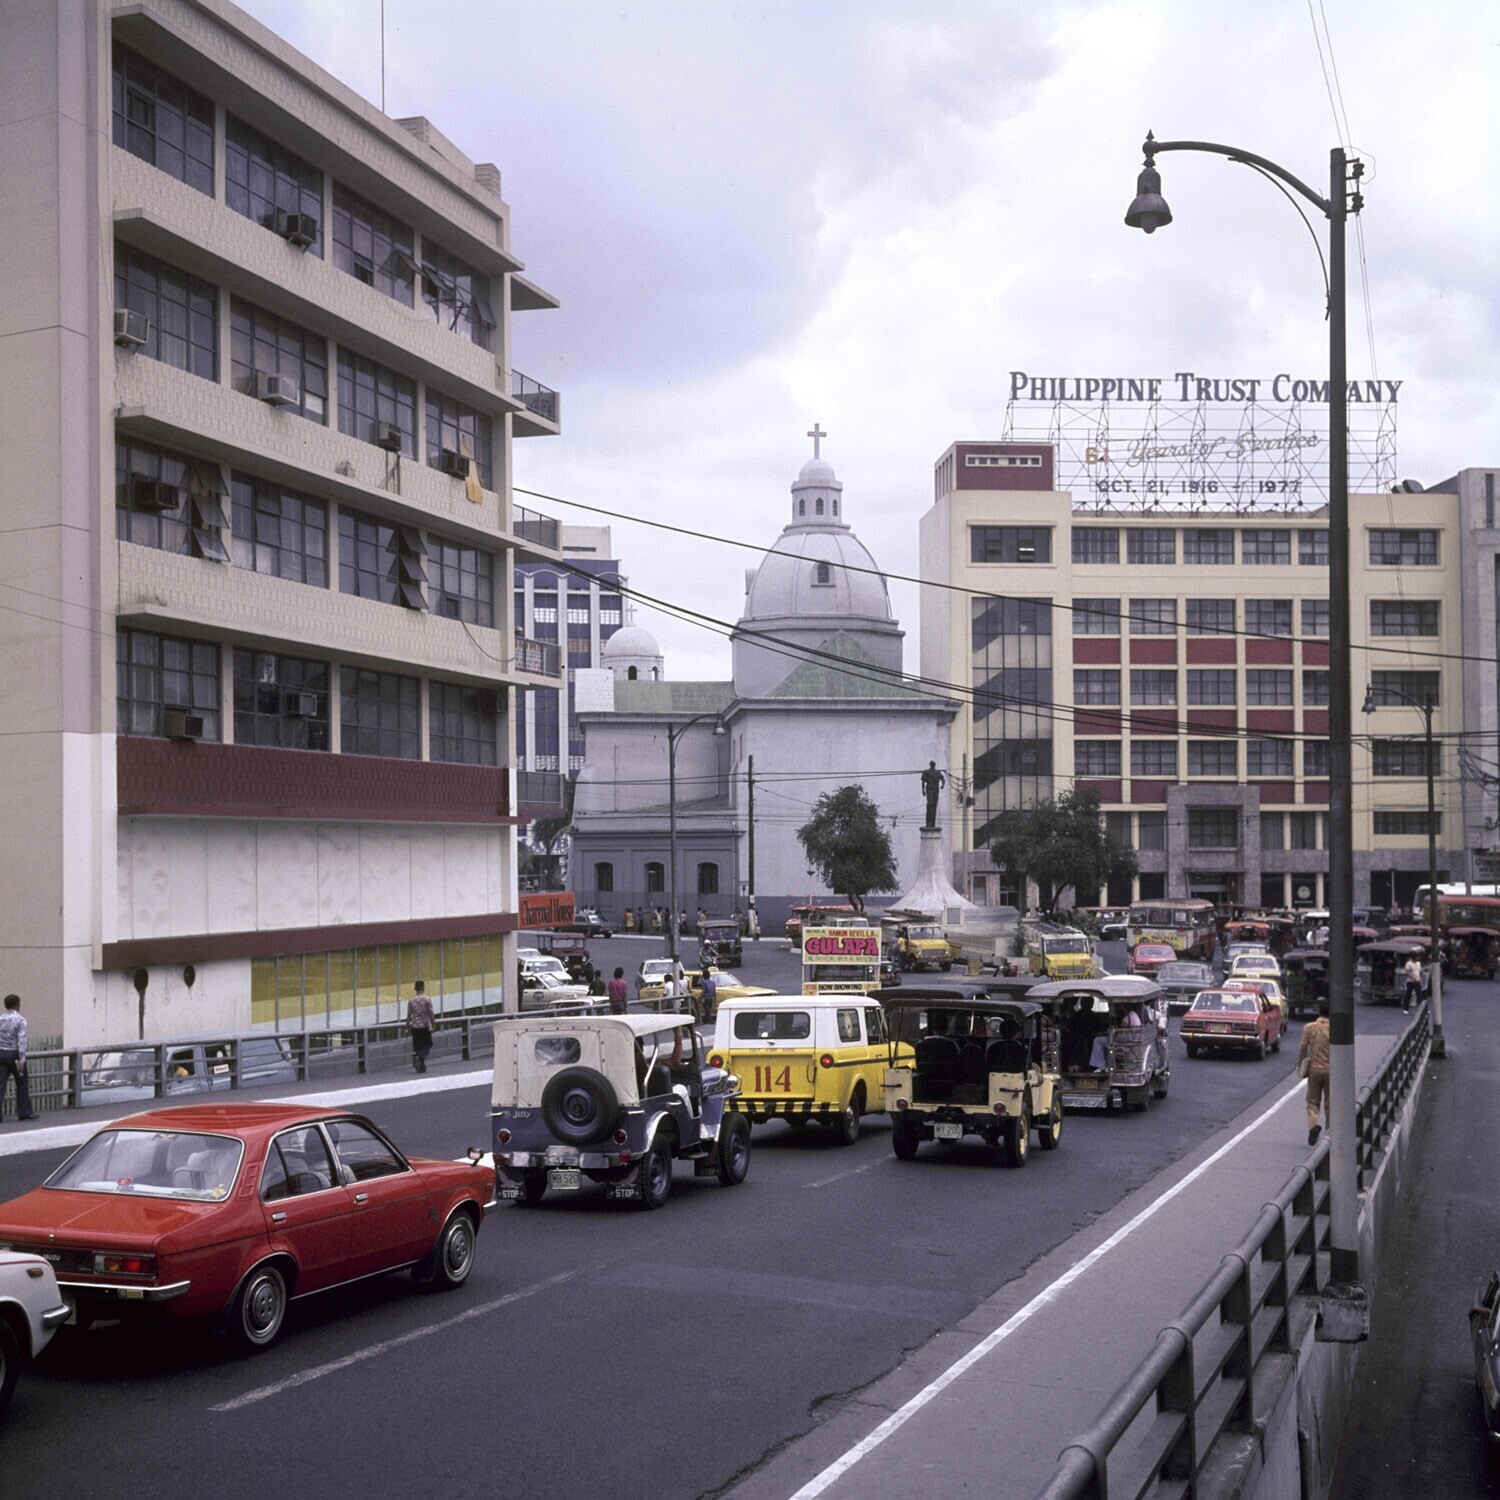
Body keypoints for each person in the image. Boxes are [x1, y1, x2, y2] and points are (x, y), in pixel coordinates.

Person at [0, 994, 36, 1122]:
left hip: (1, 1054)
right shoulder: (20, 1020)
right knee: (22, 1082)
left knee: (1, 1084)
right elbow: (22, 1041)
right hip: (14, 1055)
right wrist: (22, 1060)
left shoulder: (0, 1019)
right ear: (17, 1005)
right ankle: (24, 1112)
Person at [1300, 1000, 1331, 1145]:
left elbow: (1303, 1048)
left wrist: (1301, 1064)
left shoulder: (1309, 1027)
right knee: (1330, 1103)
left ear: (1319, 1012)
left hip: (1314, 1069)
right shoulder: (1335, 1028)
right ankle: (1330, 1132)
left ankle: (1313, 1125)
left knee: (1312, 1101)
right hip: (1331, 1069)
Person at [406, 979, 435, 1074]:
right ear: (423, 988)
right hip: (424, 1026)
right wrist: (433, 1025)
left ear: (415, 988)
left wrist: (408, 1029)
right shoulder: (427, 999)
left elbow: (409, 1016)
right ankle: (420, 1056)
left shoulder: (411, 1001)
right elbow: (430, 1013)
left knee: (418, 1047)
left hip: (415, 1027)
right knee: (428, 1043)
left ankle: (421, 1067)